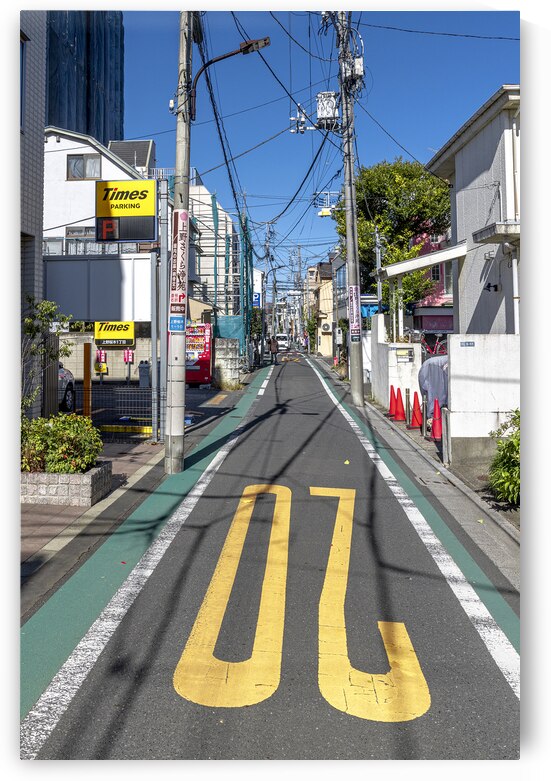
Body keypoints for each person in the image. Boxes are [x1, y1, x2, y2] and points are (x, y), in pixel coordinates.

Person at [418, 354, 448, 427]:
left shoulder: (431, 362)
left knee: (430, 396)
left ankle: (431, 418)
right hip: (433, 368)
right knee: (436, 395)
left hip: (429, 367)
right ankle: (432, 418)